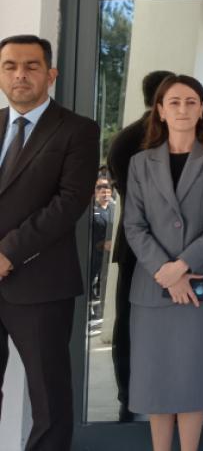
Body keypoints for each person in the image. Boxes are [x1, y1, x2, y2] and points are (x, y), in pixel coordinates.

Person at [124, 74, 203, 451]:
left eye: (191, 101)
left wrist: (182, 265)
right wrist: (166, 271)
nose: (183, 109)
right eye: (174, 102)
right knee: (155, 379)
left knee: (193, 376)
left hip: (202, 283)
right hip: (152, 285)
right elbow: (134, 225)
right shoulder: (140, 163)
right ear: (160, 110)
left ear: (202, 109)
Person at [0, 34, 100, 451]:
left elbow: (69, 203)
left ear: (51, 74)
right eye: (10, 66)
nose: (20, 74)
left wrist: (7, 253)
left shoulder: (78, 130)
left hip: (40, 282)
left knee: (49, 398)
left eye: (31, 66)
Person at [106, 69, 174, 421]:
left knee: (129, 321)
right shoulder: (172, 136)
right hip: (168, 245)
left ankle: (128, 396)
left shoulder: (122, 139)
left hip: (132, 245)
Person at [90, 174, 117, 314]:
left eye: (107, 188)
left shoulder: (114, 209)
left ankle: (101, 311)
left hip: (109, 259)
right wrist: (101, 244)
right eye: (99, 187)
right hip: (93, 258)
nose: (104, 191)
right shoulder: (90, 210)